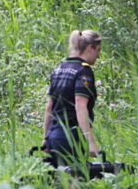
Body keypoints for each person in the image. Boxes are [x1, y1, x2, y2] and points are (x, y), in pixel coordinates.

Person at [43, 29, 103, 168]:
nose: (98, 56)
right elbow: (80, 106)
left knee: (60, 184)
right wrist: (91, 143)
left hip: (54, 137)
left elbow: (49, 107)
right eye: (98, 50)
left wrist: (46, 138)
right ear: (90, 48)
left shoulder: (60, 68)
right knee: (76, 184)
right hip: (71, 138)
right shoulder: (84, 71)